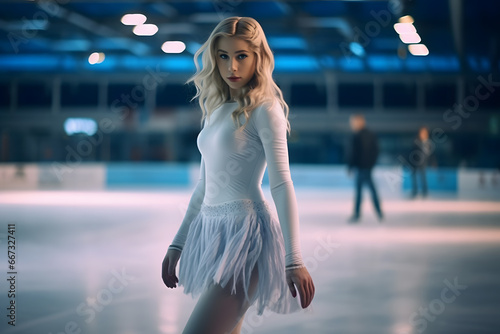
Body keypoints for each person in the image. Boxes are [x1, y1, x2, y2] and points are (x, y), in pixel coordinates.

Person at [161, 17, 315, 334]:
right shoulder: (215, 111)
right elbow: (204, 187)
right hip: (212, 234)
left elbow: (282, 182)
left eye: (241, 55)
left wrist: (294, 258)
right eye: (223, 56)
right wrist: (178, 244)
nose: (232, 66)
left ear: (258, 57)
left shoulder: (265, 109)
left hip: (248, 238)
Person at [347, 114, 383, 223]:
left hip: (362, 168)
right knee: (371, 191)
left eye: (353, 122)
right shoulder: (370, 134)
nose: (352, 124)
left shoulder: (357, 135)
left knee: (360, 192)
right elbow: (376, 151)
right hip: (366, 168)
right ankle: (379, 213)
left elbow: (354, 153)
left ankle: (358, 215)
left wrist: (351, 166)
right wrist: (371, 164)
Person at [410, 126, 432, 198]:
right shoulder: (416, 141)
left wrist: (432, 162)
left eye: (424, 132)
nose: (423, 134)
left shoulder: (428, 142)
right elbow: (412, 151)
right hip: (415, 162)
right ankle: (415, 192)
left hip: (423, 163)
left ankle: (424, 192)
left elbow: (430, 153)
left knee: (423, 177)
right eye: (422, 132)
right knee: (414, 178)